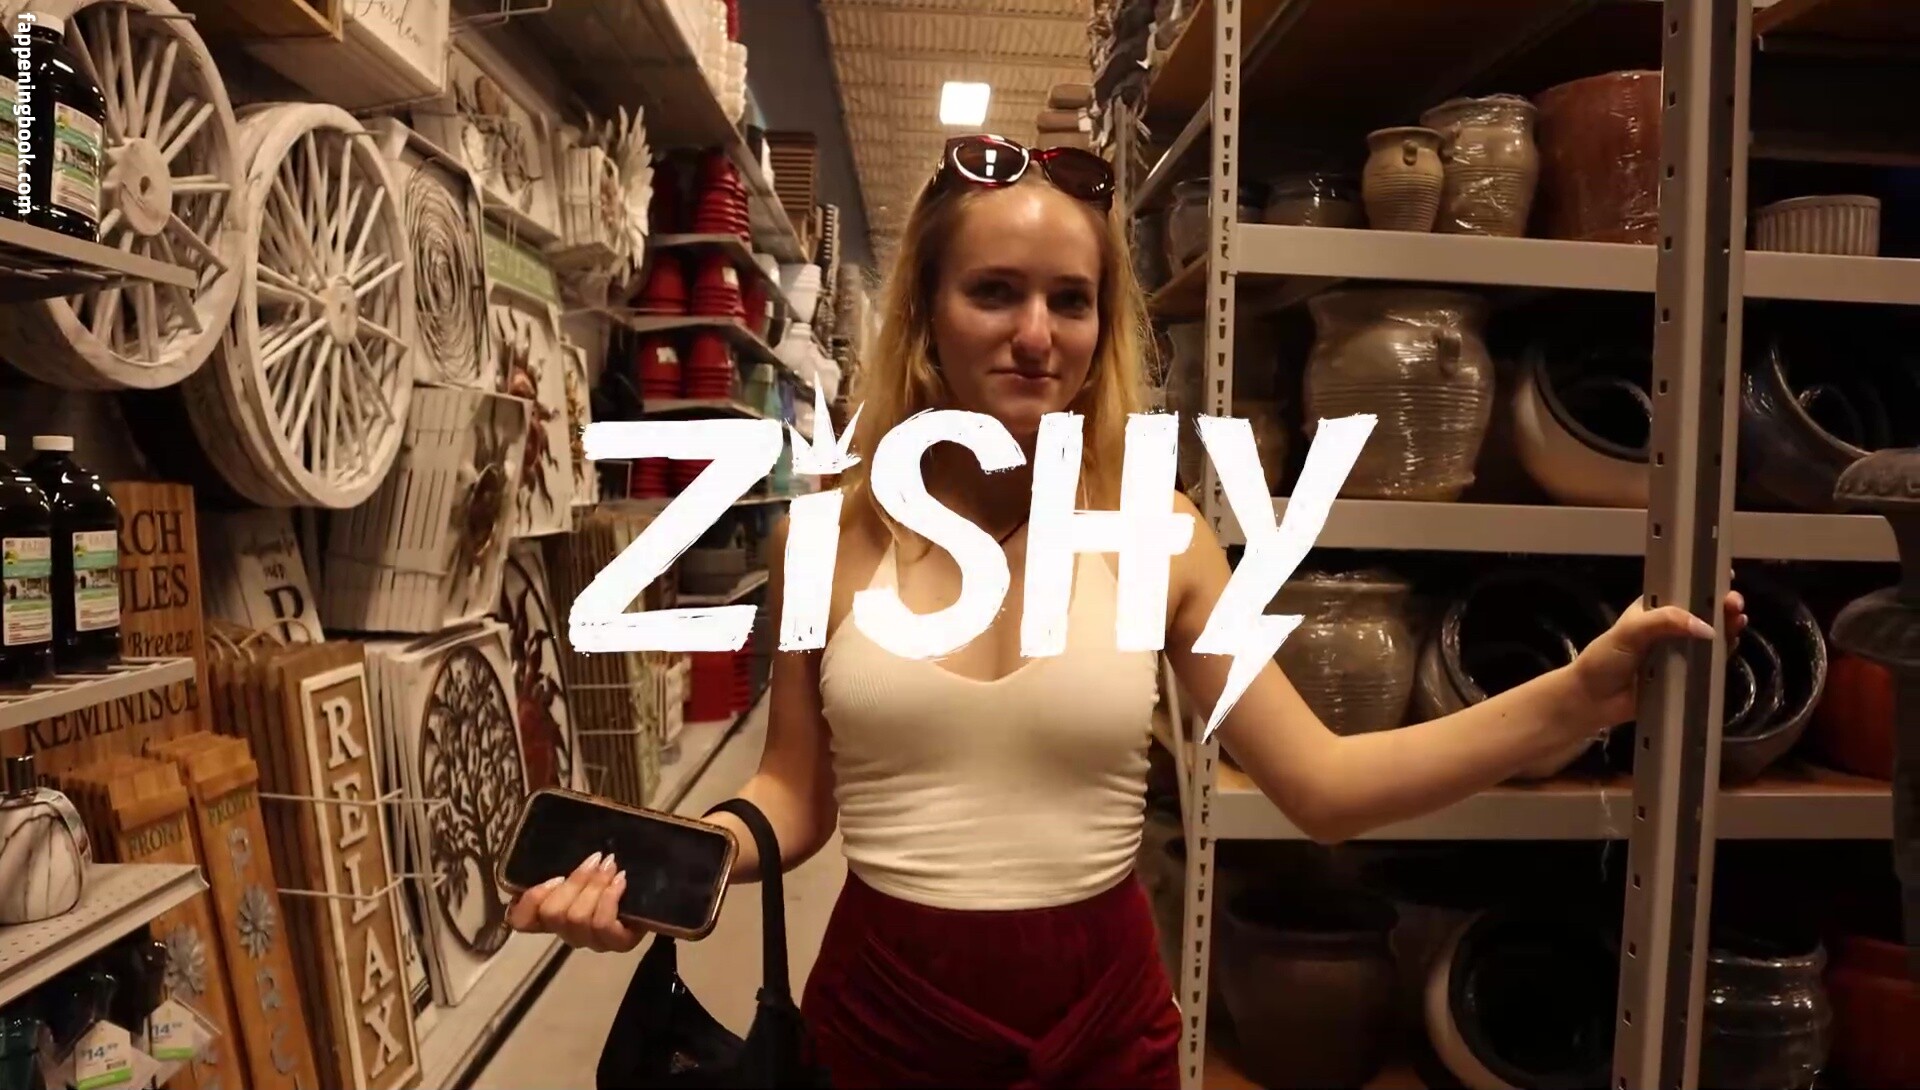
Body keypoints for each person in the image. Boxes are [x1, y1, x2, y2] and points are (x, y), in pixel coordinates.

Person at [508, 134, 1747, 1088]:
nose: (1036, 334)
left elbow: (1322, 783)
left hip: (1100, 1022)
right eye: (995, 291)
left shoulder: (1161, 534)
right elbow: (794, 791)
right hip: (886, 1015)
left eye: (1072, 299)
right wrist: (674, 865)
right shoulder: (823, 537)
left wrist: (1573, 697)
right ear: (927, 316)